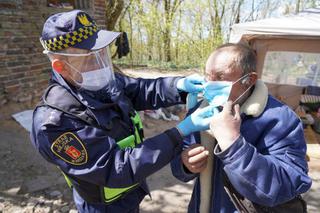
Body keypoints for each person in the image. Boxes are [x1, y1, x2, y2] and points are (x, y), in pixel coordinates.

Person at [30, 10, 219, 212]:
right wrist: (180, 132)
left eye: (102, 52)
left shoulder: (97, 82)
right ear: (61, 67)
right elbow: (115, 168)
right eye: (90, 57)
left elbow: (139, 90)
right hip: (104, 204)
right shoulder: (55, 122)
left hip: (131, 191)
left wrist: (179, 85)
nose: (102, 63)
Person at [171, 43, 312, 212]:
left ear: (249, 80)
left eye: (220, 77)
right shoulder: (201, 110)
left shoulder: (282, 119)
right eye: (207, 76)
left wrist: (233, 144)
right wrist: (185, 164)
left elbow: (287, 185)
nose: (210, 84)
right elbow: (178, 162)